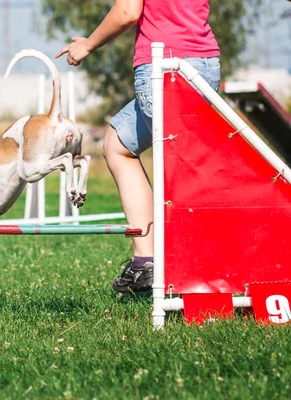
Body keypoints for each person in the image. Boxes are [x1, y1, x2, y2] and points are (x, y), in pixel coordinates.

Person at [55, 0, 221, 292]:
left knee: (180, 169)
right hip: (204, 64)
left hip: (164, 66)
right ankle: (146, 261)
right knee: (117, 143)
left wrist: (88, 45)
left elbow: (128, 11)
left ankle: (198, 269)